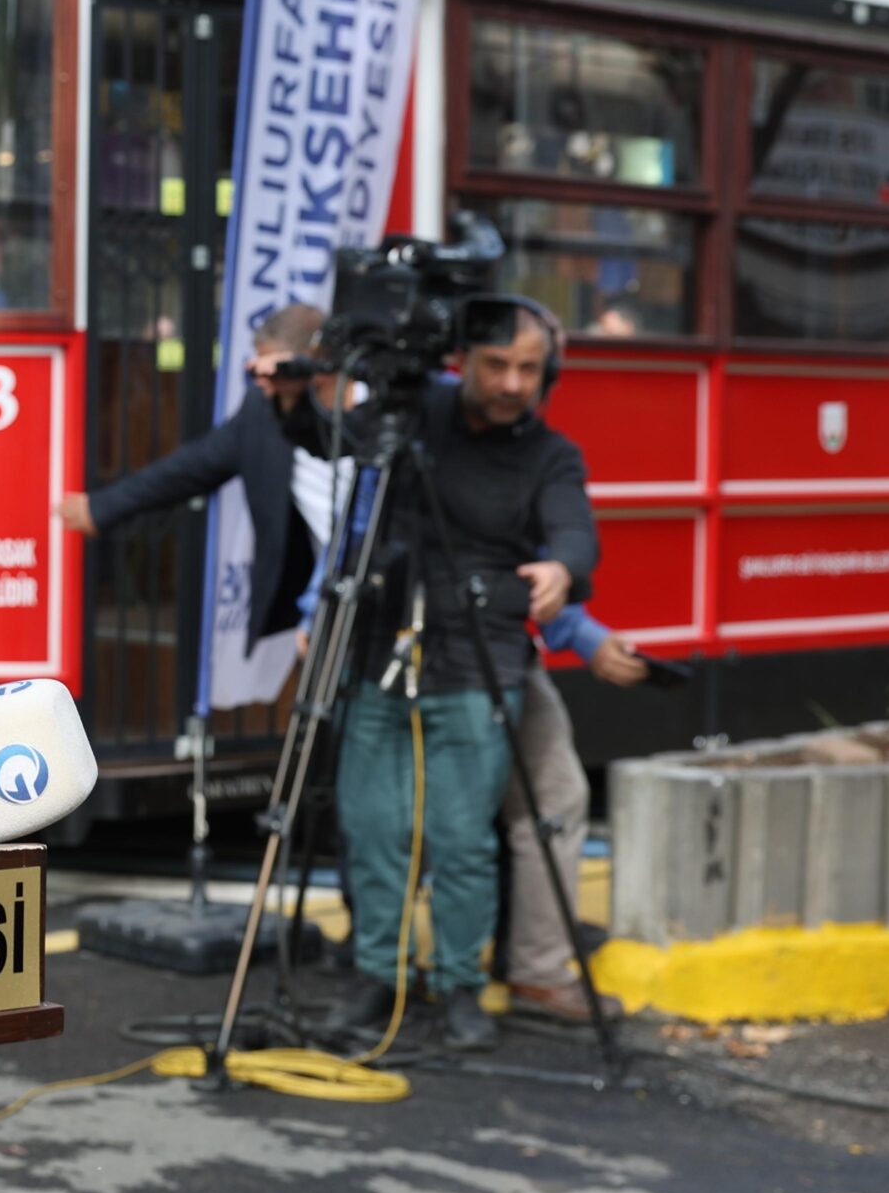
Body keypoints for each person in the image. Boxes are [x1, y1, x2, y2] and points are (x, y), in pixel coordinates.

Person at [272, 299, 596, 1053]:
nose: (514, 383)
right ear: (464, 361)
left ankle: (457, 985)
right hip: (378, 649)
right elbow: (330, 439)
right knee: (375, 827)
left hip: (478, 661)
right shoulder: (416, 414)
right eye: (497, 365)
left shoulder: (550, 454)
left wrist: (561, 568)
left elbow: (576, 534)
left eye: (529, 369)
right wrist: (291, 398)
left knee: (460, 840)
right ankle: (379, 975)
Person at [57, 302, 345, 658]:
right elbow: (191, 467)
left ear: (317, 362)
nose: (266, 383)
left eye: (277, 370)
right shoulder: (264, 412)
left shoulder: (380, 411)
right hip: (335, 598)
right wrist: (102, 507)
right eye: (260, 371)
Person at [503, 603, 646, 1023]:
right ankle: (407, 975)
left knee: (555, 798)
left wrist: (584, 634)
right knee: (451, 818)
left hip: (505, 650)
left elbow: (538, 552)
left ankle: (537, 969)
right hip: (434, 654)